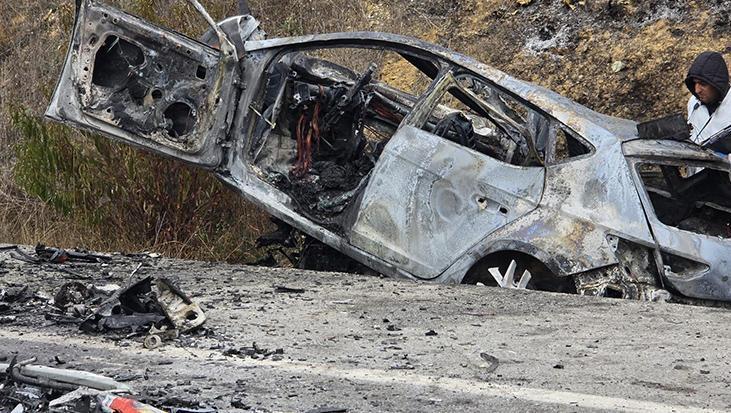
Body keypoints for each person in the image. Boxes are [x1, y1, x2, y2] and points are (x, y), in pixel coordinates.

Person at [685, 51, 731, 147]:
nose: (697, 90)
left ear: (717, 85)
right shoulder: (693, 102)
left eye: (703, 84)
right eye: (694, 83)